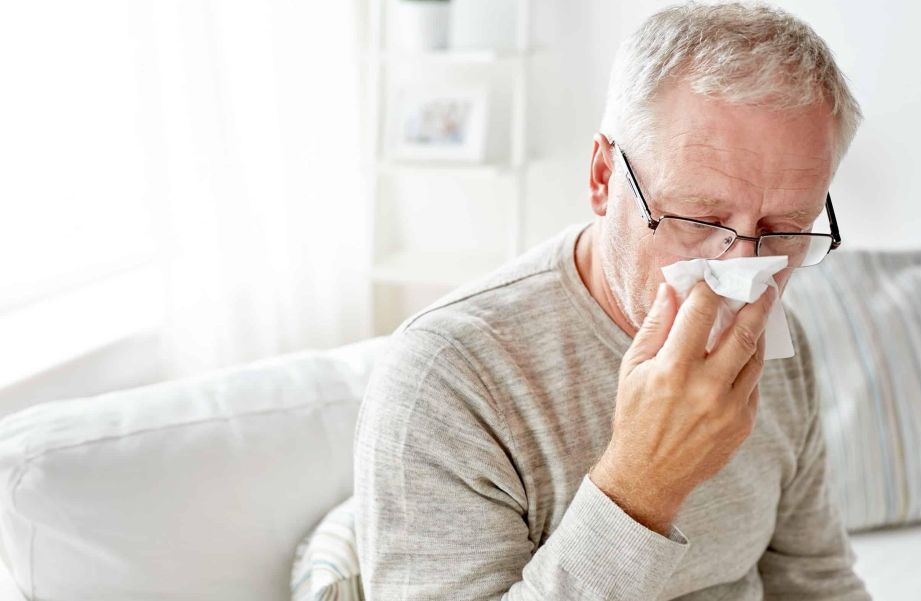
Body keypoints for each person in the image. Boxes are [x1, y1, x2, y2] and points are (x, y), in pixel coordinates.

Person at [354, 3, 872, 599]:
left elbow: (817, 582)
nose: (744, 273)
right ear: (604, 177)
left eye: (785, 229)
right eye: (699, 218)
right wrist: (643, 486)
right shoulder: (449, 380)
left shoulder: (776, 342)